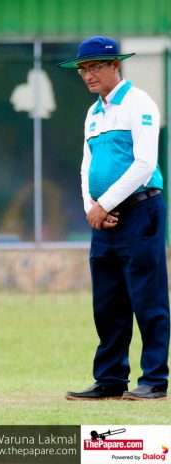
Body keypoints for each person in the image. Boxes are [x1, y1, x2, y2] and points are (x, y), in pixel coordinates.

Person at [58, 36, 170, 401]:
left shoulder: (139, 103)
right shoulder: (93, 113)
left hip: (141, 211)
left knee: (148, 298)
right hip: (102, 218)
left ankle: (154, 379)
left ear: (114, 66)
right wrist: (91, 207)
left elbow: (145, 164)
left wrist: (104, 204)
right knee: (108, 302)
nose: (88, 75)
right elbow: (86, 166)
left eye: (94, 67)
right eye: (83, 70)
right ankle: (110, 379)